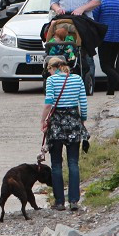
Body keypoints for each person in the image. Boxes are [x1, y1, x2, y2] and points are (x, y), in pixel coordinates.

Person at [40, 56, 88, 211]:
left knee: (56, 164)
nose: (48, 73)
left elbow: (49, 103)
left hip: (57, 125)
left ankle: (59, 202)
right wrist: (83, 119)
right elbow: (83, 102)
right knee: (73, 163)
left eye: (48, 70)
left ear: (52, 68)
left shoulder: (52, 81)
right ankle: (74, 201)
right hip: (74, 121)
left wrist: (43, 121)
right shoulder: (77, 79)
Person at [49, 0, 101, 83]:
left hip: (83, 19)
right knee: (52, 38)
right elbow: (53, 2)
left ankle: (87, 81)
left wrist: (82, 8)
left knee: (86, 53)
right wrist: (57, 8)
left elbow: (97, 0)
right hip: (64, 19)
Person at [92, 0, 119, 95]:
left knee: (104, 66)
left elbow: (95, 19)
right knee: (111, 63)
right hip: (118, 37)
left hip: (105, 37)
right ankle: (110, 90)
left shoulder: (100, 1)